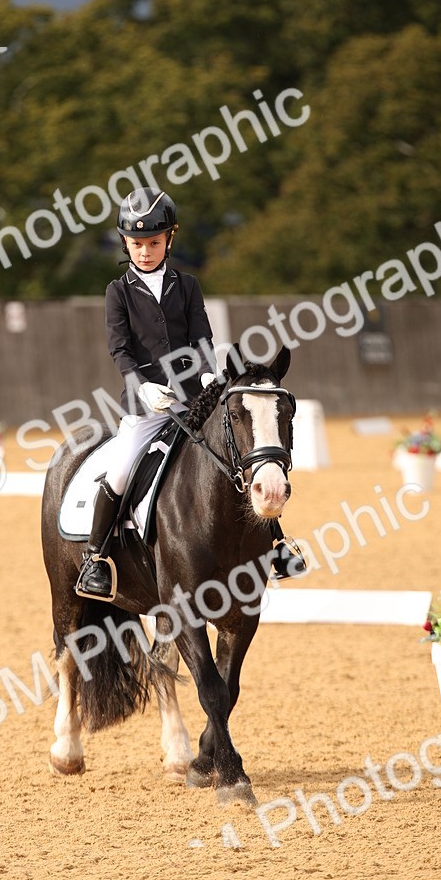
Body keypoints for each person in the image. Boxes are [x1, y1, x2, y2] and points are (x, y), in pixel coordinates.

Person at [75, 187, 304, 600]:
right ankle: (96, 558)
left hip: (193, 400)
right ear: (126, 244)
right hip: (146, 405)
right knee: (121, 470)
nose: (145, 251)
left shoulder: (187, 285)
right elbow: (120, 349)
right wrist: (142, 387)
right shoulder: (118, 292)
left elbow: (201, 337)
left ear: (170, 239)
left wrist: (205, 377)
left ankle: (276, 543)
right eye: (136, 244)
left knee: (238, 455)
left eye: (154, 243)